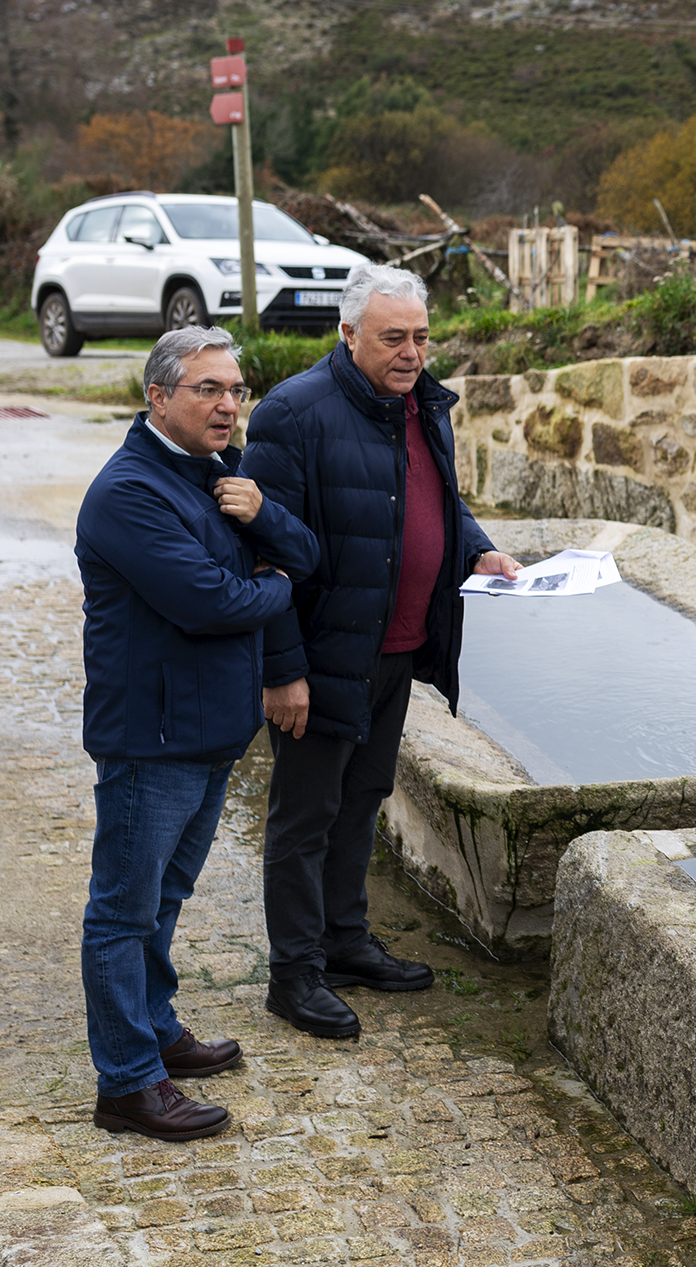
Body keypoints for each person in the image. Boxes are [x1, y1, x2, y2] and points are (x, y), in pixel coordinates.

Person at [245, 266, 521, 1040]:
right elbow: (261, 554)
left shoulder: (423, 405)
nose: (412, 352)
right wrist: (282, 668)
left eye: (422, 337)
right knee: (305, 816)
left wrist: (478, 548)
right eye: (394, 337)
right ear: (348, 334)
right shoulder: (291, 414)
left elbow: (438, 502)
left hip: (396, 649)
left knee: (362, 799)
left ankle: (344, 942)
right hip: (324, 655)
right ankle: (294, 974)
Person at [76, 327, 318, 1140]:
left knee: (165, 898)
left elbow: (305, 552)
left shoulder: (220, 472)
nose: (228, 405)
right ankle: (127, 1082)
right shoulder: (128, 492)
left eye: (235, 389)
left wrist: (266, 519)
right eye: (208, 389)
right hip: (151, 739)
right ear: (158, 396)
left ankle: (154, 1024)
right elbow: (209, 602)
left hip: (212, 732)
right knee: (123, 910)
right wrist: (273, 586)